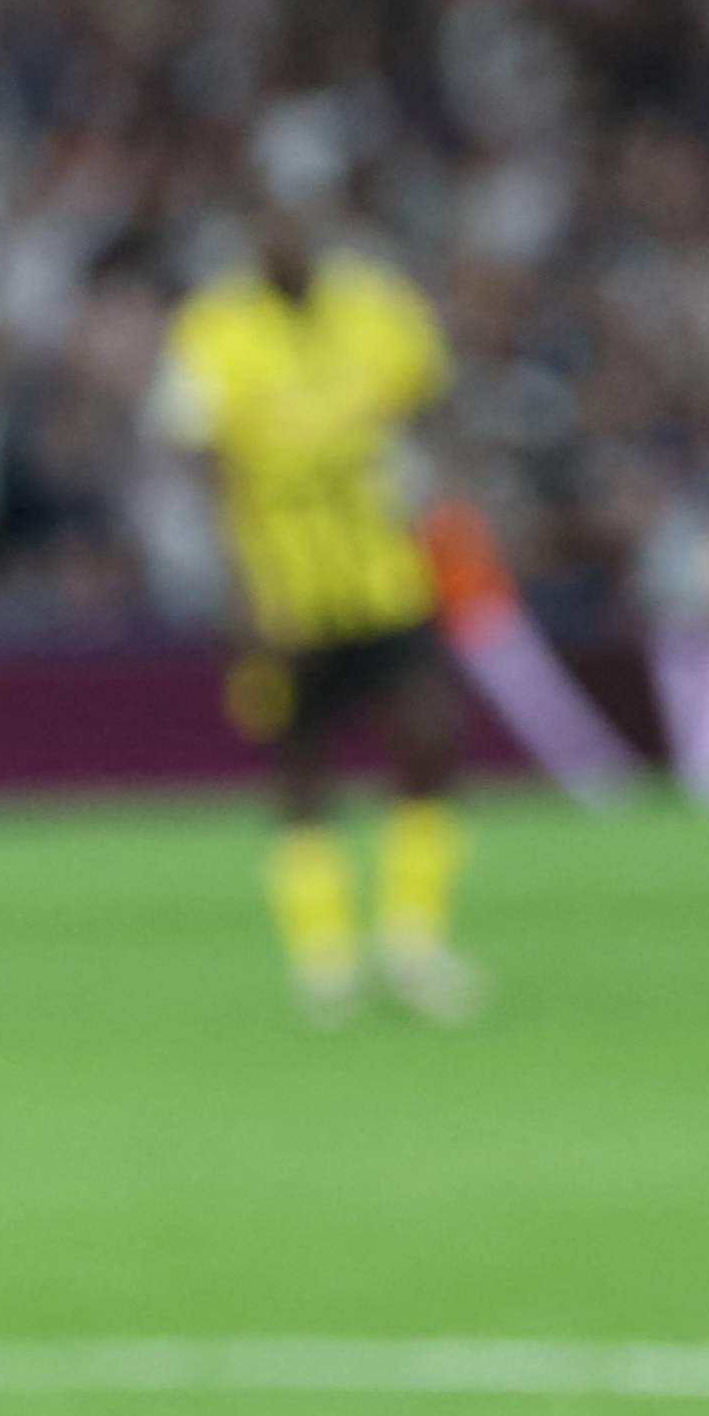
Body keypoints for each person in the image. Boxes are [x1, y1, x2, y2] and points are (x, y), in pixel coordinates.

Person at [158, 137, 476, 1024]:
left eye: (297, 215)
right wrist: (240, 591)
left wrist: (446, 506)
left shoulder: (378, 308)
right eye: (267, 217)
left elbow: (434, 408)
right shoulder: (213, 328)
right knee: (300, 766)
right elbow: (203, 464)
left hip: (383, 571)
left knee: (430, 735)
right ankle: (325, 957)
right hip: (284, 585)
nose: (283, 232)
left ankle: (414, 940)